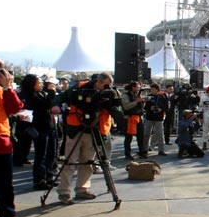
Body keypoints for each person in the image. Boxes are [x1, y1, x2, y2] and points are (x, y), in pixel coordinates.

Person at [53, 73, 114, 205]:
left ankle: (82, 189)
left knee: (88, 162)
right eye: (106, 85)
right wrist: (56, 105)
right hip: (75, 129)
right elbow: (61, 96)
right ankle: (64, 192)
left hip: (93, 129)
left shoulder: (106, 93)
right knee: (69, 161)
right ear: (98, 82)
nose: (108, 88)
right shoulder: (80, 87)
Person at [0, 57, 24, 217]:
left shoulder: (2, 90)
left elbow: (15, 108)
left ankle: (8, 216)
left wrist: (8, 88)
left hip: (1, 142)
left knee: (5, 184)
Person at [19, 74, 58, 190]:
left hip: (50, 126)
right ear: (32, 85)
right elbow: (44, 105)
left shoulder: (43, 93)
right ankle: (39, 180)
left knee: (52, 153)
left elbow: (50, 104)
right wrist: (51, 93)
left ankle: (49, 176)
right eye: (39, 83)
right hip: (40, 128)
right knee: (41, 155)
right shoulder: (30, 96)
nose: (41, 85)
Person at [121, 81, 146, 160]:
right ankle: (127, 153)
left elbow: (141, 107)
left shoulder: (137, 95)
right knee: (129, 137)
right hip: (129, 118)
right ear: (133, 87)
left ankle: (142, 152)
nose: (138, 89)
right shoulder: (125, 95)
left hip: (138, 117)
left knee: (140, 136)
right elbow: (126, 106)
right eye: (137, 87)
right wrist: (136, 102)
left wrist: (142, 102)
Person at [143, 83, 168, 156]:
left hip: (159, 117)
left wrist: (161, 109)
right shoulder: (149, 96)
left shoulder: (162, 97)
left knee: (160, 134)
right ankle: (144, 149)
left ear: (157, 90)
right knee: (146, 134)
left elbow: (166, 107)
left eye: (153, 89)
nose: (152, 91)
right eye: (151, 89)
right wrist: (149, 108)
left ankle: (161, 150)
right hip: (149, 117)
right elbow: (145, 107)